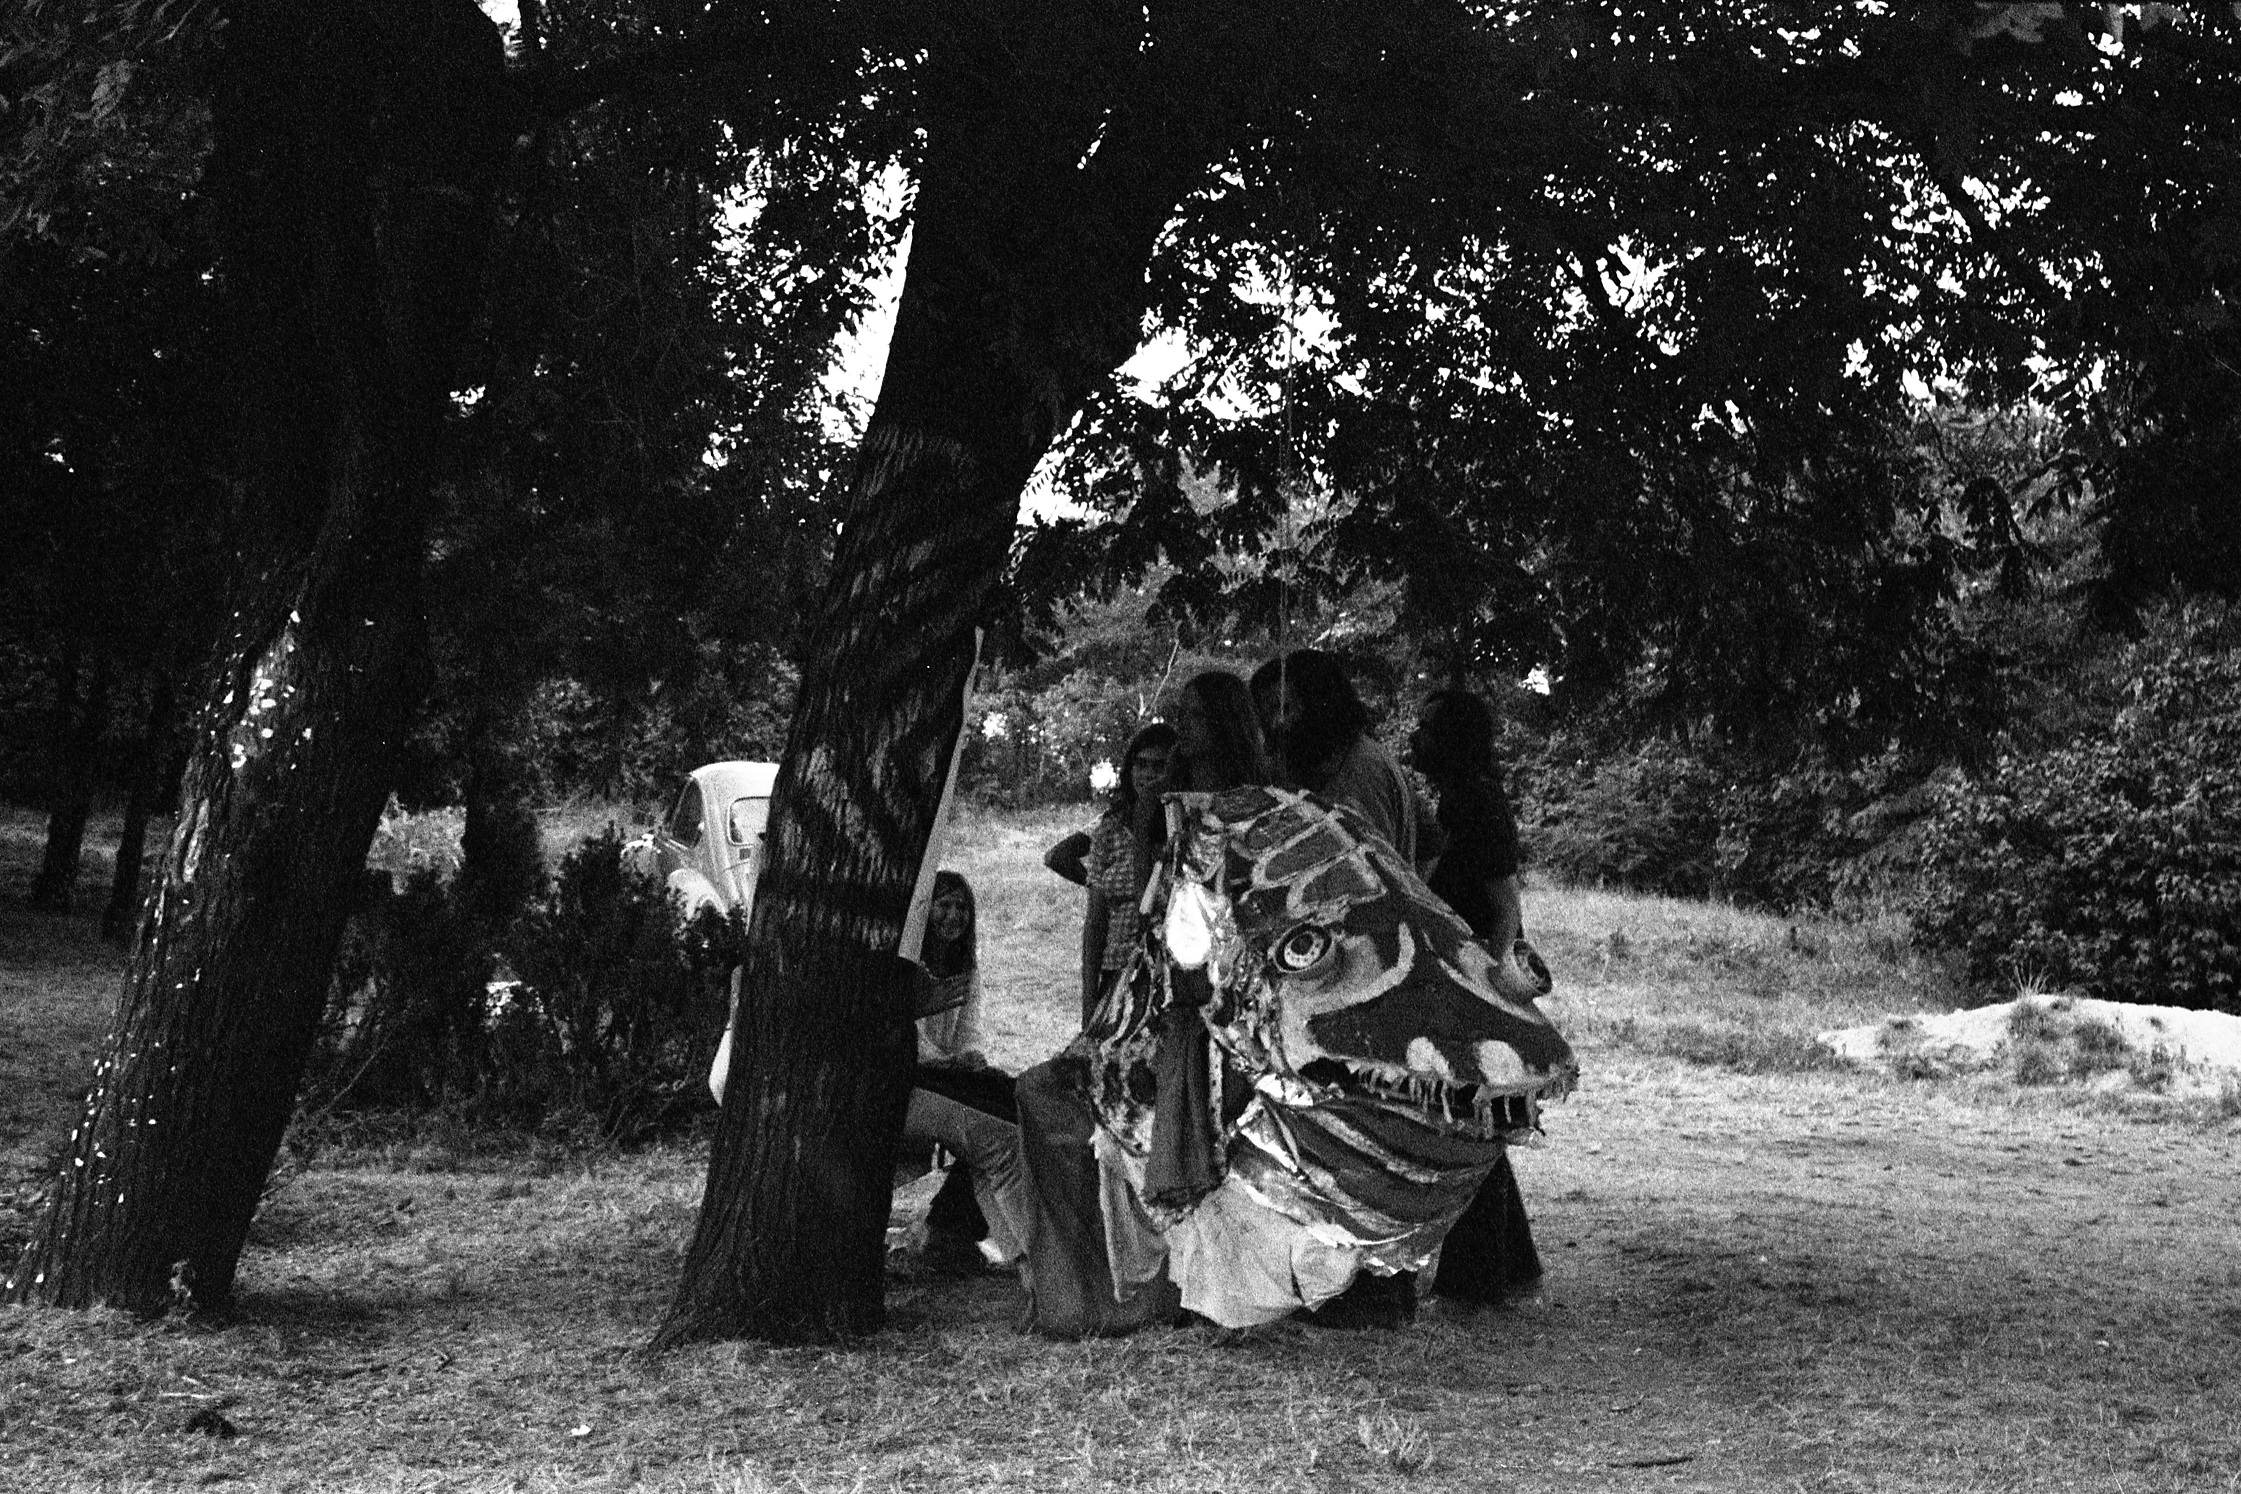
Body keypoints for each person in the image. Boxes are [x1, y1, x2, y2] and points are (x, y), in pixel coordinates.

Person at [1013, 672, 1270, 1336]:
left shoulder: (1253, 808)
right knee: (1077, 1107)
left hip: (1212, 1000)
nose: (1184, 728)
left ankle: (1194, 1295)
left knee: (1200, 1141)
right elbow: (1130, 902)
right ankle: (1114, 1289)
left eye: (1194, 716)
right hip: (1153, 990)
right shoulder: (1163, 807)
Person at [1410, 688, 1543, 1308]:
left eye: (1427, 729)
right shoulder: (1462, 797)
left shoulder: (1474, 800)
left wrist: (1486, 981)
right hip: (1465, 970)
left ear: (1452, 741)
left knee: (1468, 1119)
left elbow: (1504, 900)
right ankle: (1507, 1267)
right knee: (1471, 1119)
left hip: (1476, 976)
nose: (1416, 739)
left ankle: (1480, 1276)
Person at [903, 871, 1030, 1274]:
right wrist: (951, 1062)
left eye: (962, 907)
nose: (954, 915)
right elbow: (913, 1041)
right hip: (918, 1078)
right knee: (993, 1132)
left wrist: (970, 1057)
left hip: (949, 1074)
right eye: (944, 905)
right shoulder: (912, 966)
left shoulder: (966, 968)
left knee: (1016, 1104)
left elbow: (970, 1031)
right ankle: (960, 1232)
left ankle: (949, 1227)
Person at [1043, 723, 1176, 1028]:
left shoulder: (1185, 829)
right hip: (1116, 974)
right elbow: (1095, 925)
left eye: (1159, 766)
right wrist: (1089, 1002)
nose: (1148, 774)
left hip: (1169, 980)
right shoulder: (1111, 828)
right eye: (1140, 764)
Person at [1249, 649, 1424, 866]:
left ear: (1318, 703)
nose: (1276, 723)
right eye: (1267, 713)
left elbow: (1365, 869)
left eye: (1284, 708)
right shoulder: (1337, 761)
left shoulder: (1361, 771)